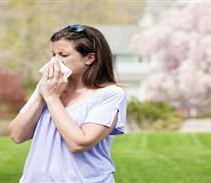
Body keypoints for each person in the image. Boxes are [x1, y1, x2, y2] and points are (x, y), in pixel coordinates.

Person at [8, 24, 127, 183]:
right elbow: (17, 135)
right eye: (53, 54)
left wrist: (52, 99)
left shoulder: (109, 95)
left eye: (63, 55)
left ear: (89, 58)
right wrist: (41, 96)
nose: (55, 61)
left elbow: (79, 143)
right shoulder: (48, 87)